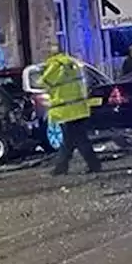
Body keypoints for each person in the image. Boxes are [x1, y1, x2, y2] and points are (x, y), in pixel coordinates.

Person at [38, 47, 102, 176]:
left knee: (77, 139)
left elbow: (43, 82)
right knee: (71, 140)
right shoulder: (73, 64)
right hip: (78, 107)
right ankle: (62, 167)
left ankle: (91, 165)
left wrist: (42, 72)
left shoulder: (54, 65)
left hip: (66, 110)